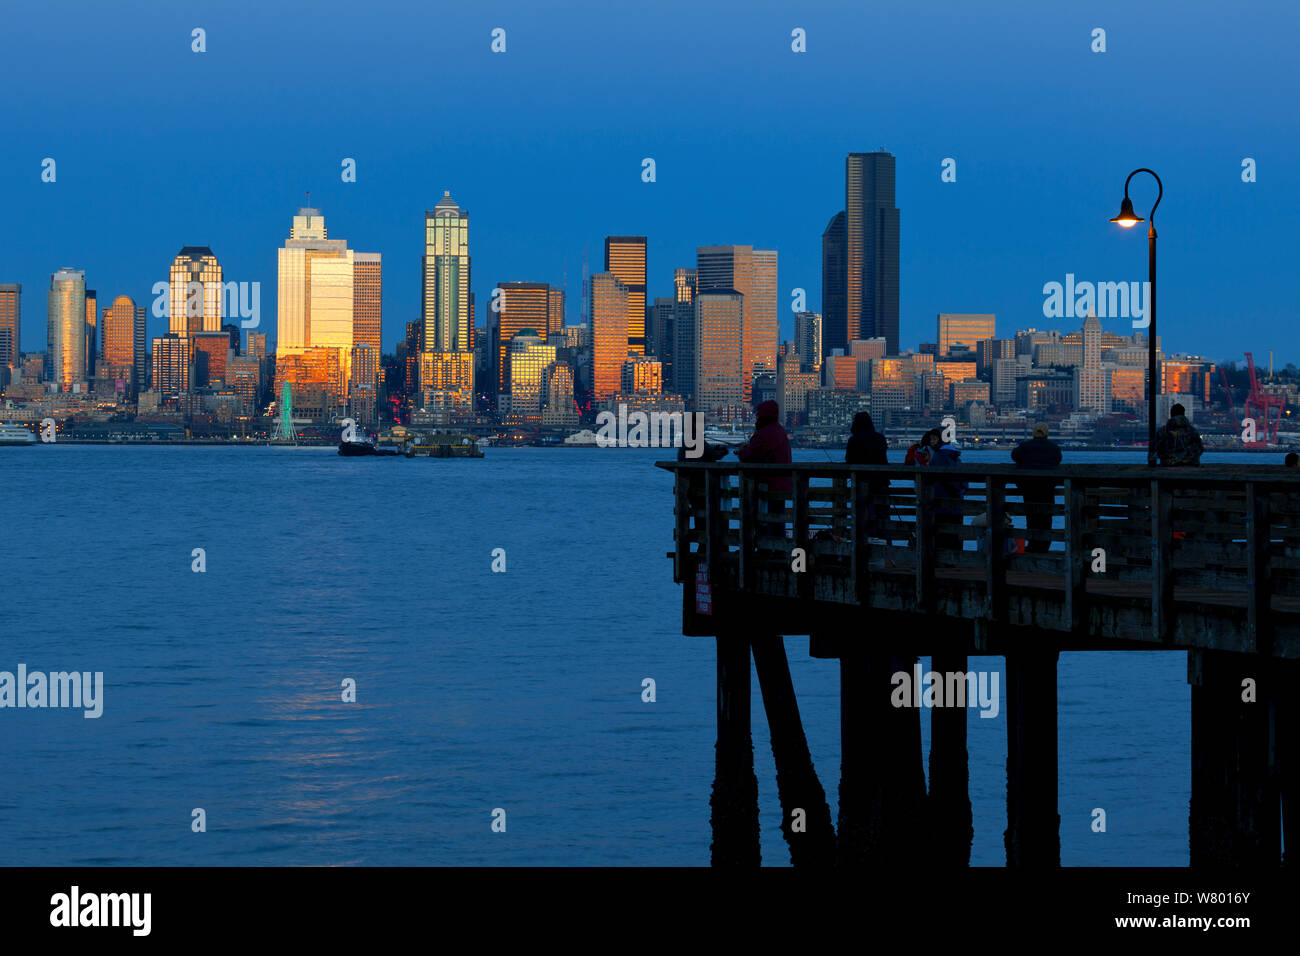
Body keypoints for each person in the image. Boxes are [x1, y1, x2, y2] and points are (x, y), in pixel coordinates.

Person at [737, 400, 793, 543]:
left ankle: (766, 549)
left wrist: (742, 452)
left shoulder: (764, 434)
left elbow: (751, 455)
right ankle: (777, 549)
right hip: (783, 485)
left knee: (763, 520)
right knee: (777, 520)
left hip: (767, 485)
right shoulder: (779, 430)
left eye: (758, 415)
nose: (756, 417)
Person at [1011, 423, 1062, 554]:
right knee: (1046, 518)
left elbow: (1014, 456)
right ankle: (1044, 547)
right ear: (1046, 433)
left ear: (1034, 433)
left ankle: (1033, 545)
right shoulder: (1053, 447)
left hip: (1029, 487)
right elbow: (1058, 460)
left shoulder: (1025, 446)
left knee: (1032, 517)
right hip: (1047, 487)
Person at [845, 411, 890, 542]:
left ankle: (863, 545)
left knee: (862, 516)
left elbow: (849, 459)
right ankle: (886, 545)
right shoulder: (880, 438)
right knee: (883, 516)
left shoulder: (854, 440)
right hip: (882, 483)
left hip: (862, 484)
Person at [929, 439, 967, 554]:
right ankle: (953, 558)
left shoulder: (938, 456)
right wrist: (959, 491)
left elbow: (938, 476)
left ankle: (941, 559)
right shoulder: (957, 458)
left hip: (940, 501)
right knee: (954, 532)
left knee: (940, 532)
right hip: (956, 503)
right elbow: (964, 481)